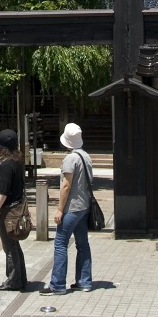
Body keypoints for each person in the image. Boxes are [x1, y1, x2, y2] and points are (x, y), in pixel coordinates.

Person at [42, 122, 93, 295]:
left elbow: (66, 186)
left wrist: (59, 209)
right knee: (83, 244)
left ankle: (57, 284)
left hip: (71, 207)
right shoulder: (86, 157)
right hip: (84, 206)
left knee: (60, 243)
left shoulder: (70, 159)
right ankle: (84, 281)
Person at [0, 128, 26, 292]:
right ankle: (20, 278)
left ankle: (13, 281)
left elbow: (3, 190)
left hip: (8, 210)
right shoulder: (17, 162)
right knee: (15, 245)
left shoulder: (6, 166)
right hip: (17, 207)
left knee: (9, 246)